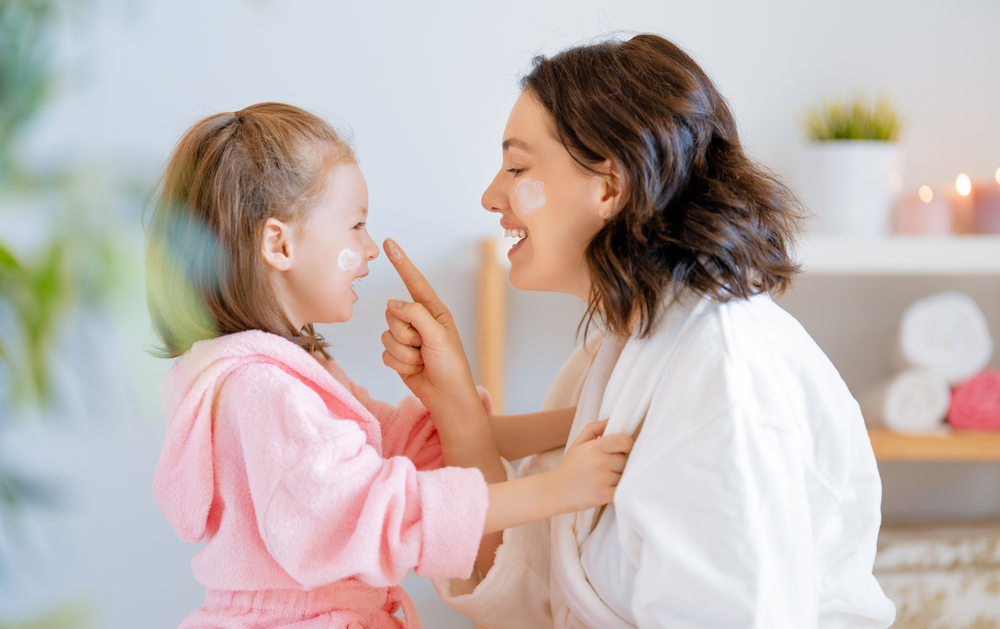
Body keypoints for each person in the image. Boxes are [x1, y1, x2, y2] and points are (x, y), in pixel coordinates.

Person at [380, 34, 896, 627]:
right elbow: (534, 597)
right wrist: (454, 403)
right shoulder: (615, 354)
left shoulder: (724, 373)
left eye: (518, 167)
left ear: (609, 185)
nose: (491, 196)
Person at [145, 102, 632, 628]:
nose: (370, 248)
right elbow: (378, 512)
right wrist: (557, 490)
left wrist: (584, 418)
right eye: (355, 226)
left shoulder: (298, 374)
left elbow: (421, 445)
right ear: (278, 244)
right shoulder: (261, 392)